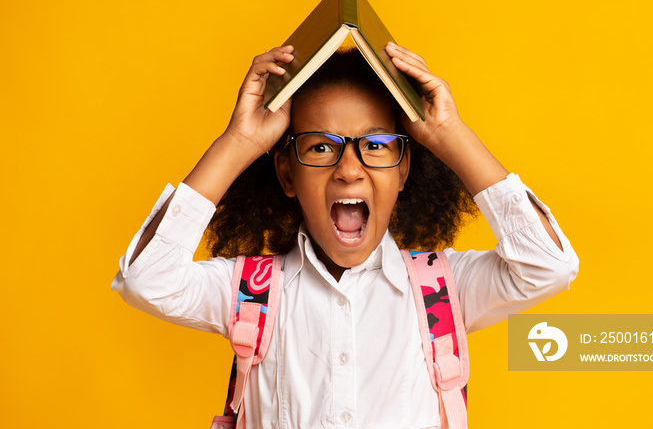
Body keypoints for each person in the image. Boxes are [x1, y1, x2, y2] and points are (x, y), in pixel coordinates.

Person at [112, 42, 579, 428]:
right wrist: (241, 143)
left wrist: (448, 133)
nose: (349, 170)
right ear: (287, 174)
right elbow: (146, 280)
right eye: (320, 147)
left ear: (403, 170)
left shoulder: (443, 290)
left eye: (376, 146)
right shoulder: (250, 293)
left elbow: (548, 266)